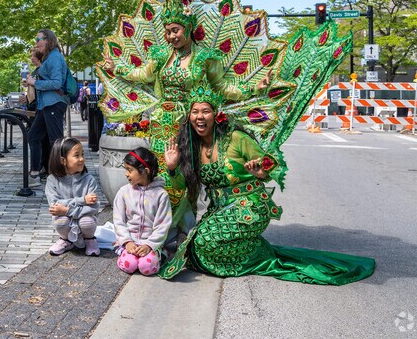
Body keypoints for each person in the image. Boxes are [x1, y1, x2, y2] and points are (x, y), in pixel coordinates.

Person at [159, 84, 375, 285]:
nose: (200, 116)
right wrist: (172, 167)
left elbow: (272, 164)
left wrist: (261, 172)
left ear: (216, 115)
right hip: (220, 210)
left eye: (205, 111)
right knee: (195, 249)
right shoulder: (192, 149)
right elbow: (182, 186)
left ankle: (259, 254)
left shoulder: (236, 139)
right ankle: (254, 248)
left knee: (205, 244)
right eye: (195, 112)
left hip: (249, 205)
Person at [101, 0, 271, 225]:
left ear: (188, 29)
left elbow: (223, 87)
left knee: (185, 171)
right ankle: (158, 222)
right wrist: (116, 68)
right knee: (159, 170)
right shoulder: (161, 56)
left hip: (188, 124)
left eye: (176, 31)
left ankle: (185, 222)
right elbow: (142, 75)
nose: (171, 37)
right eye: (168, 32)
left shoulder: (204, 58)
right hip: (160, 121)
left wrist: (253, 87)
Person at [113, 147, 172, 276]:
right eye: (126, 169)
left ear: (145, 171)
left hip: (150, 243)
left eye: (130, 170)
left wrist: (150, 245)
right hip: (130, 242)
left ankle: (159, 255)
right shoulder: (123, 192)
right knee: (129, 265)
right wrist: (127, 242)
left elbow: (163, 226)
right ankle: (123, 251)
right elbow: (118, 221)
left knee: (147, 267)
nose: (126, 174)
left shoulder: (161, 195)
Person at [25, 29, 69, 187]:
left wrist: (34, 83)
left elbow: (57, 83)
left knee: (55, 141)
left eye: (38, 39)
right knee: (34, 136)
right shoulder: (50, 57)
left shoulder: (55, 57)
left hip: (54, 104)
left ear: (48, 40)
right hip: (46, 105)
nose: (36, 43)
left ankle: (60, 176)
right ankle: (36, 173)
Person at [45, 137, 100, 256]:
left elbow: (94, 207)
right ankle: (66, 240)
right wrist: (82, 200)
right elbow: (55, 206)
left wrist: (66, 210)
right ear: (63, 160)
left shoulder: (89, 180)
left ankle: (89, 240)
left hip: (83, 218)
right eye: (77, 155)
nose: (82, 159)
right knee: (61, 221)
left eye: (83, 154)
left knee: (87, 222)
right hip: (65, 218)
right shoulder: (52, 180)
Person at [20, 48, 51, 179]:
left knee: (35, 137)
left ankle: (37, 169)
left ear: (38, 57)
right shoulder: (36, 72)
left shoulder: (41, 71)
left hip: (41, 108)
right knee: (40, 139)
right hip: (38, 109)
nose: (31, 58)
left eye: (32, 56)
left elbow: (40, 92)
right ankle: (42, 168)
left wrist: (29, 101)